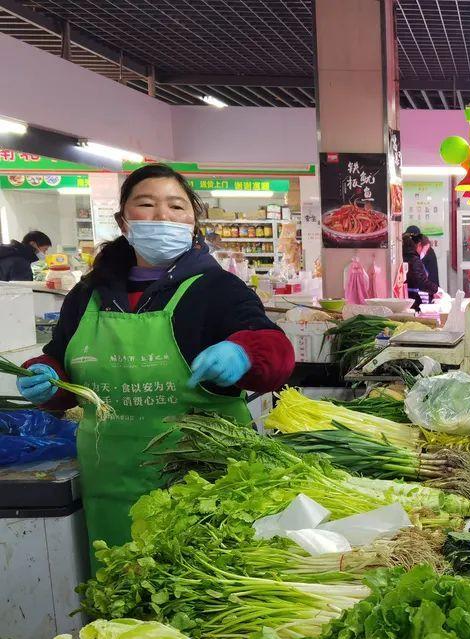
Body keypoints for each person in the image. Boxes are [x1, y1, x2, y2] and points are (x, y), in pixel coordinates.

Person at [17, 164, 295, 566]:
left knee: (208, 596)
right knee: (123, 602)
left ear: (193, 220)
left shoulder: (216, 288)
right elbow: (61, 361)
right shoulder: (88, 294)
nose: (163, 216)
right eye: (146, 204)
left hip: (206, 480)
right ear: (123, 221)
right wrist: (47, 378)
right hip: (114, 483)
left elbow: (277, 354)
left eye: (177, 206)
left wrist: (246, 353)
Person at [403, 233, 437, 311]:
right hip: (411, 300)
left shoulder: (405, 256)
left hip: (407, 298)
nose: (426, 253)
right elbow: (421, 281)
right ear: (419, 245)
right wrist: (436, 290)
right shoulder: (414, 260)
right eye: (426, 250)